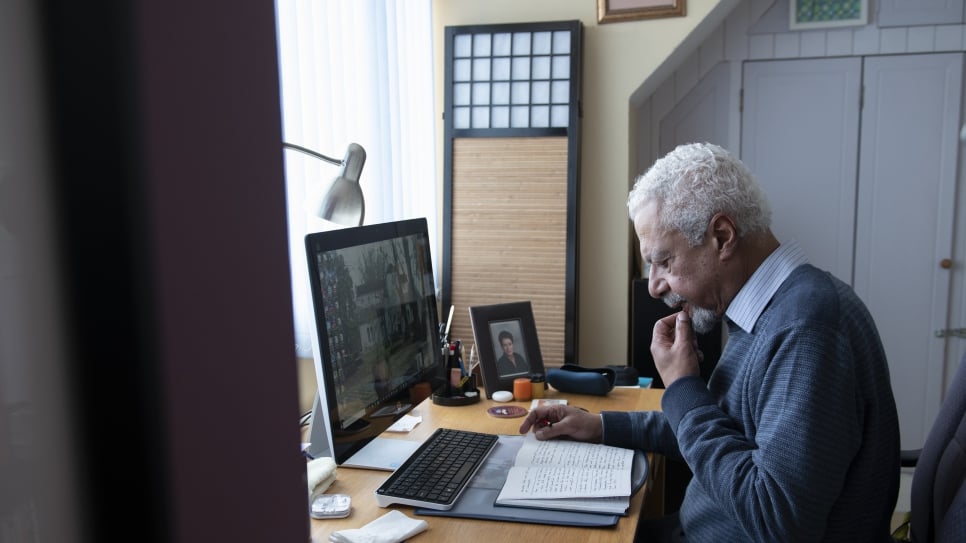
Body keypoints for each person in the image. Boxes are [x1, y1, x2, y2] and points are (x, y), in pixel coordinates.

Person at [521, 143, 900, 542]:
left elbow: (778, 522)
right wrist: (600, 426)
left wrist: (684, 388)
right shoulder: (766, 310)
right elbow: (723, 428)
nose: (653, 286)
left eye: (664, 262)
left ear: (722, 236)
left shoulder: (807, 330)